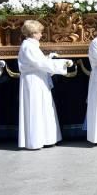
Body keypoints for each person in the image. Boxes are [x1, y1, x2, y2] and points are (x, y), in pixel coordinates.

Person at [18, 20, 73, 150]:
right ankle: (36, 140)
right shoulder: (28, 46)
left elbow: (39, 62)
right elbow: (39, 64)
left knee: (43, 107)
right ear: (33, 33)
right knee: (36, 108)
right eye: (40, 32)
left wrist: (49, 58)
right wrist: (62, 64)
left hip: (38, 79)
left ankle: (46, 138)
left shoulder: (32, 45)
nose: (41, 35)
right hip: (33, 81)